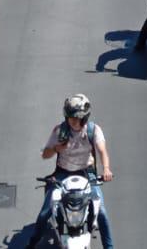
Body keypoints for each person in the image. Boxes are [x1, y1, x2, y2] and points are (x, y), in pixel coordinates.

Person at [34, 94, 115, 249]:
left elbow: (102, 151)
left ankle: (109, 247)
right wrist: (57, 148)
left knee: (101, 211)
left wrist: (106, 169)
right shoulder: (59, 131)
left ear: (84, 117)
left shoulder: (93, 130)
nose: (73, 121)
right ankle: (32, 242)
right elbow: (45, 154)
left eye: (77, 118)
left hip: (87, 173)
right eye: (70, 117)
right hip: (63, 173)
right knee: (46, 211)